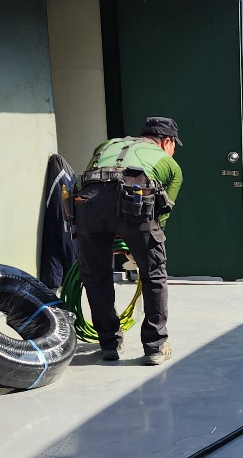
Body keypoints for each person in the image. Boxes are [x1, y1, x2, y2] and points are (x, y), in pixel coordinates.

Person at [73, 117, 184, 365]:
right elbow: (161, 216)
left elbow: (94, 184)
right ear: (166, 141)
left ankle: (109, 344)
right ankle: (155, 347)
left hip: (87, 206)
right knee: (153, 274)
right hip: (134, 202)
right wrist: (141, 247)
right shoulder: (169, 164)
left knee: (96, 276)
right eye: (174, 146)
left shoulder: (106, 145)